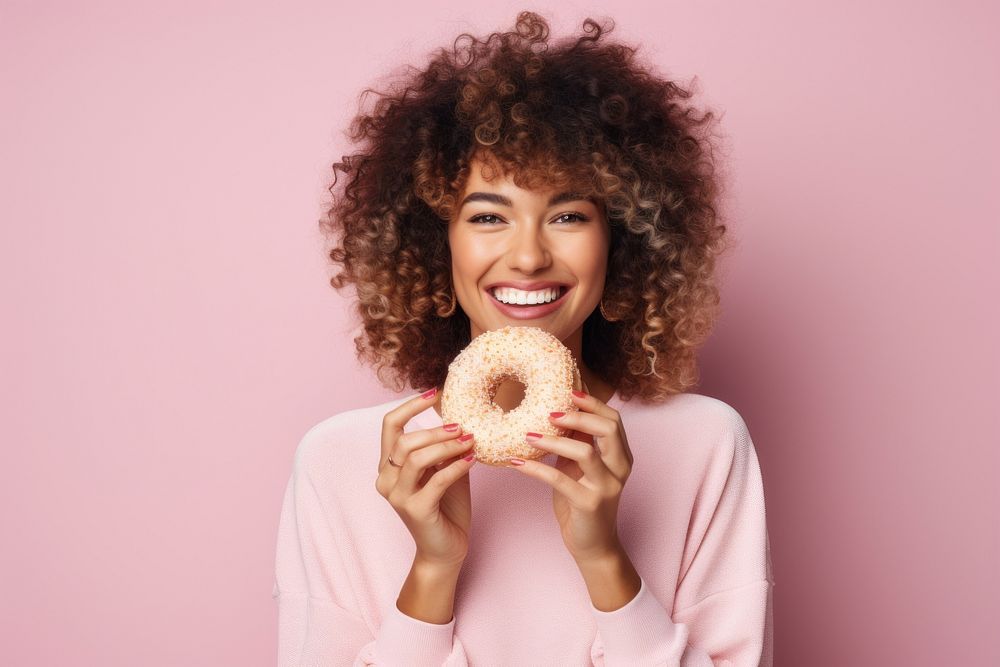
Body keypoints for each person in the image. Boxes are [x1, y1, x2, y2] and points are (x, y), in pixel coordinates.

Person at [273, 11, 774, 666]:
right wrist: (433, 570)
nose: (530, 256)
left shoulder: (707, 444)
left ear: (620, 243)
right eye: (488, 215)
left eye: (568, 213)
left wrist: (604, 560)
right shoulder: (339, 462)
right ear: (434, 242)